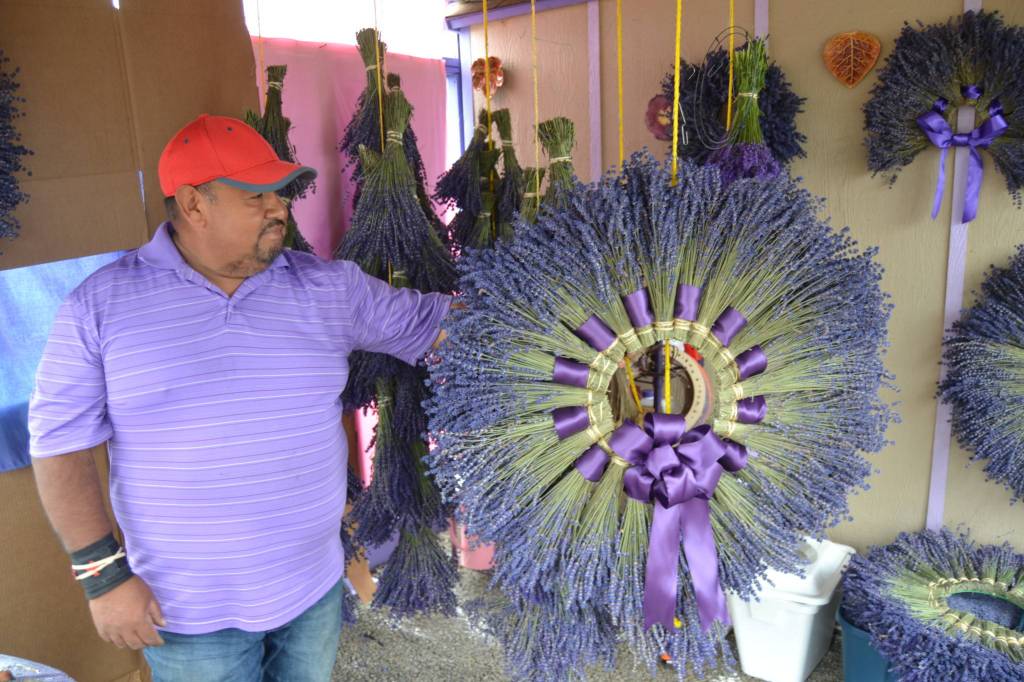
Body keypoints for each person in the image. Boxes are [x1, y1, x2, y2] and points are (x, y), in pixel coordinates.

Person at [28, 114, 453, 682]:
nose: (279, 207)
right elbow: (61, 450)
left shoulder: (329, 289)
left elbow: (436, 325)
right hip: (189, 614)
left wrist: (565, 322)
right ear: (194, 204)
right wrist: (103, 577)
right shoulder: (99, 308)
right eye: (255, 195)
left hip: (312, 591)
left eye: (279, 192)